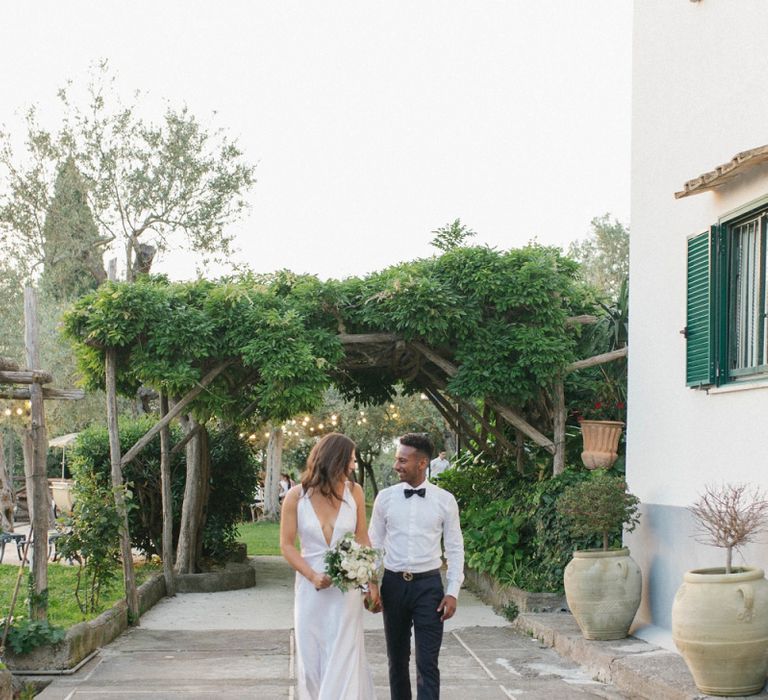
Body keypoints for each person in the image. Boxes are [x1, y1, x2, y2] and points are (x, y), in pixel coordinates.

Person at [280, 432, 376, 699]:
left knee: (343, 656)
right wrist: (311, 575)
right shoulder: (295, 498)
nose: (354, 466)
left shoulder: (354, 492)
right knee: (312, 660)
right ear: (336, 460)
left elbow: (362, 537)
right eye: (351, 460)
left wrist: (371, 582)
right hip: (310, 590)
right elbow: (286, 545)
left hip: (346, 590)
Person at [368, 433, 464, 700]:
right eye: (397, 459)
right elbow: (373, 545)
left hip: (429, 588)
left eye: (402, 460)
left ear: (422, 463)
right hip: (394, 586)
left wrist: (453, 590)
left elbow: (455, 548)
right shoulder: (384, 499)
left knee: (427, 663)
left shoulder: (445, 500)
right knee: (396, 661)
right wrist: (371, 584)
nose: (396, 465)